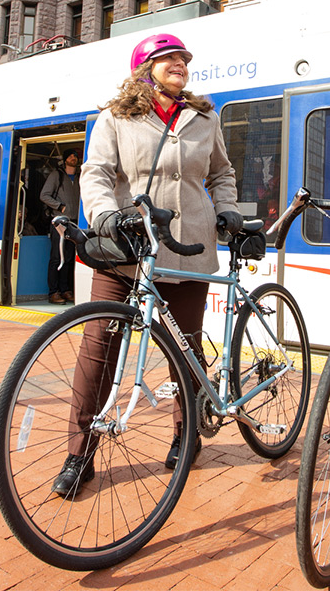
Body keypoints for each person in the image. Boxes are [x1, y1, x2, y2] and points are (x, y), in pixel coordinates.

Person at [50, 33, 242, 498]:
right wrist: (104, 216)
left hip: (188, 248)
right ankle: (81, 451)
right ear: (145, 67)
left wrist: (227, 208)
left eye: (184, 58)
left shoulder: (204, 117)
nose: (180, 63)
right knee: (99, 348)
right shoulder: (114, 117)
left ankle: (187, 433)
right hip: (127, 249)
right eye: (169, 58)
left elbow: (221, 172)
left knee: (186, 349)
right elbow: (96, 173)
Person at [40, 147, 81, 304]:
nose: (73, 158)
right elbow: (44, 195)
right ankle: (53, 292)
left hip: (74, 223)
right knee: (57, 258)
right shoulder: (56, 175)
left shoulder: (79, 177)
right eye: (70, 156)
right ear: (65, 159)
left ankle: (65, 290)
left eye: (75, 156)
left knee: (69, 258)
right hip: (59, 222)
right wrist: (59, 206)